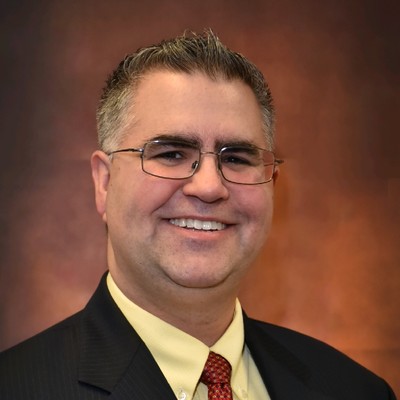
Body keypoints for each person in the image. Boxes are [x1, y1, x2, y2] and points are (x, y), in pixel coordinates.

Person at [0, 30, 396, 400]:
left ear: (272, 184)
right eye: (172, 154)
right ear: (104, 182)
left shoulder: (355, 390)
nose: (209, 187)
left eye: (236, 158)